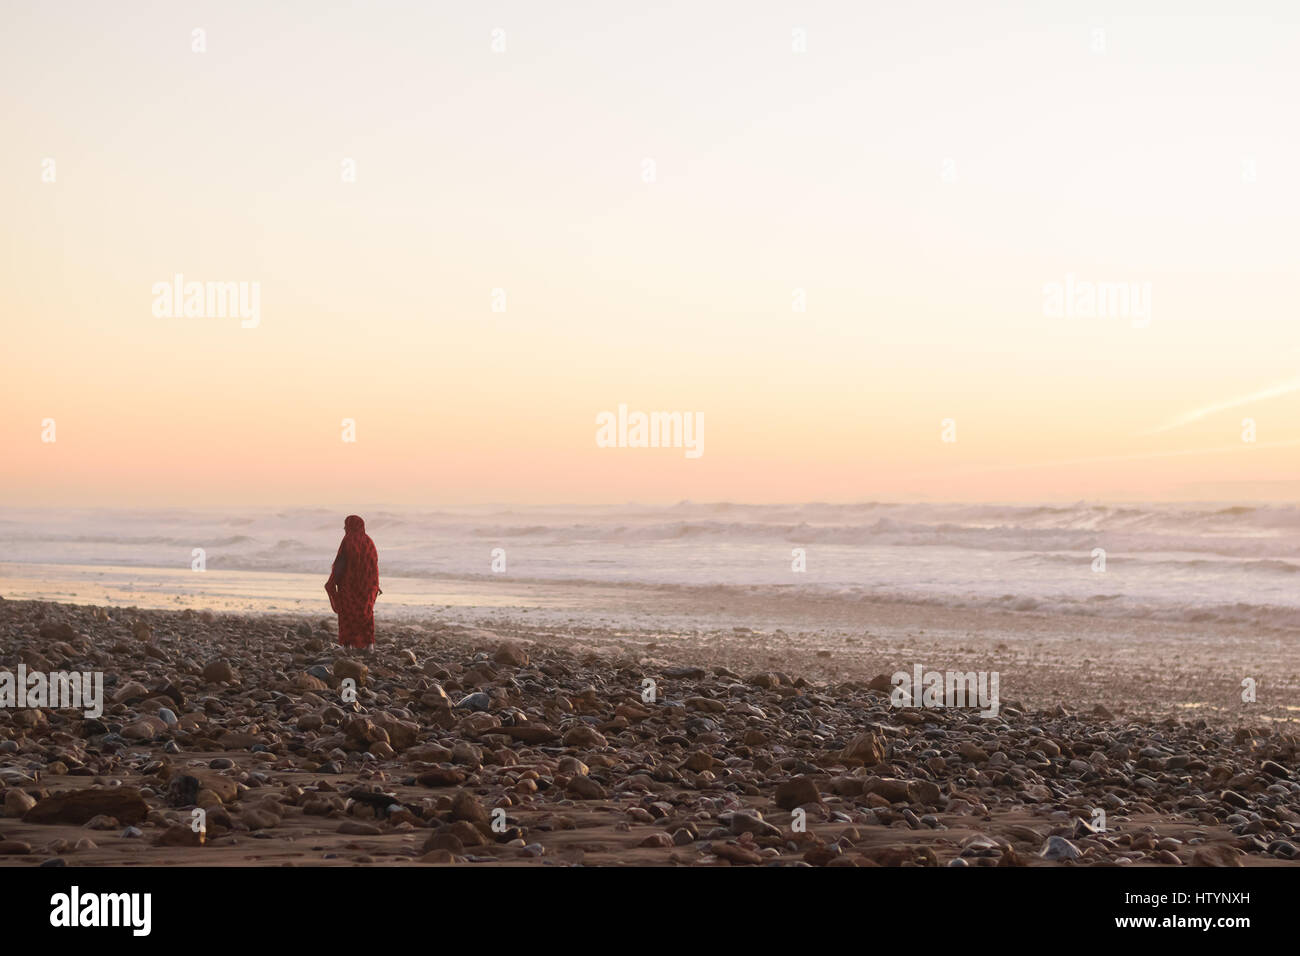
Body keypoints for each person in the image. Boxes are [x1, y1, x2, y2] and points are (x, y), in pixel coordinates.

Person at [324, 514, 381, 653]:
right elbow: (373, 566)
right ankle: (369, 646)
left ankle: (347, 646)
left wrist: (332, 582)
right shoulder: (369, 542)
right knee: (366, 613)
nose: (344, 528)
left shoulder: (348, 540)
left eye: (346, 525)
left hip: (349, 585)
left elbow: (340, 564)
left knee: (347, 614)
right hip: (367, 586)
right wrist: (376, 585)